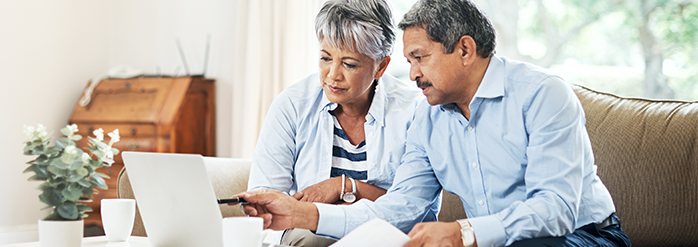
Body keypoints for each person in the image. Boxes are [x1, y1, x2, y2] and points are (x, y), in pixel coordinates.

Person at [237, 0, 632, 246]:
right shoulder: (427, 116)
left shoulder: (543, 95)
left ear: (464, 49)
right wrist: (303, 215)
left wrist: (464, 233)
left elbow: (556, 210)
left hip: (583, 236)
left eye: (420, 58)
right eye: (409, 62)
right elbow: (401, 208)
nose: (411, 76)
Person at [246, 0, 424, 246]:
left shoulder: (414, 111)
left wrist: (345, 187)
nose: (332, 75)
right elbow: (265, 200)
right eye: (325, 58)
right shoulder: (292, 104)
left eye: (349, 64)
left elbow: (414, 209)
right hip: (310, 237)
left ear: (381, 66)